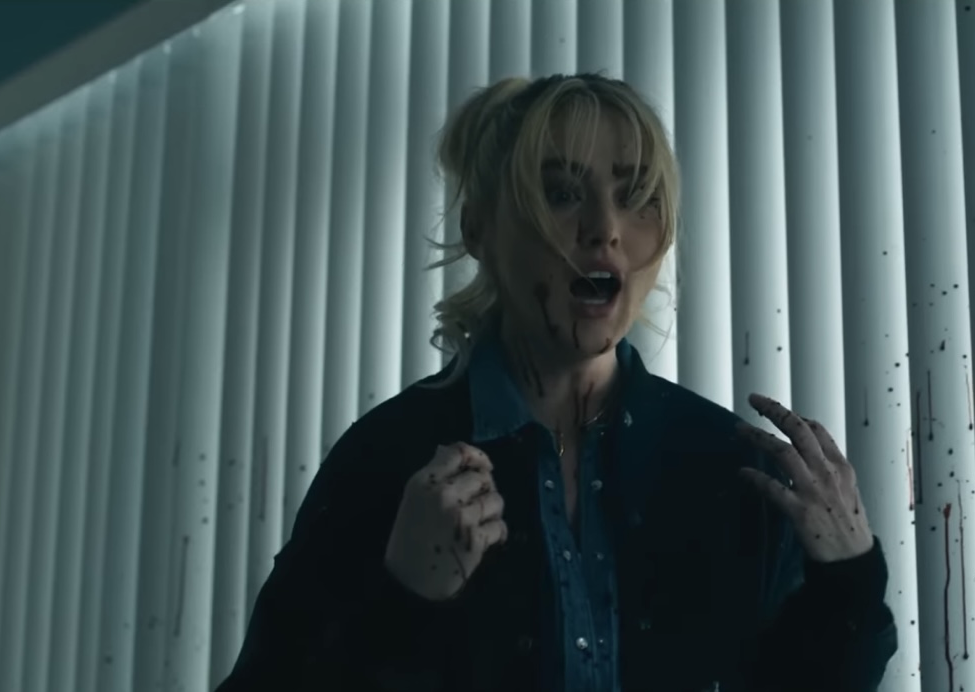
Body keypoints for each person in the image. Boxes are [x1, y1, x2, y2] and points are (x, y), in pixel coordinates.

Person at [216, 73, 898, 692]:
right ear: (478, 228)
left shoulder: (732, 469)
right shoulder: (387, 460)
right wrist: (401, 602)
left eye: (635, 197)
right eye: (562, 194)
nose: (604, 230)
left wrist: (848, 580)